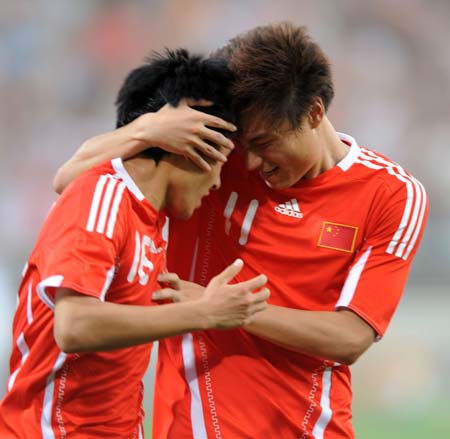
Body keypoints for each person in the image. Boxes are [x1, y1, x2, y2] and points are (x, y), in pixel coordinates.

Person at [52, 23, 428, 439]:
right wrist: (145, 130)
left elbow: (350, 338)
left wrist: (225, 310)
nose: (249, 163)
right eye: (243, 144)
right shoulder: (212, 164)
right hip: (190, 427)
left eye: (265, 142)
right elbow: (72, 179)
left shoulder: (393, 194)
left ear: (314, 113)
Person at [0, 49, 270, 438]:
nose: (216, 185)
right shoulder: (102, 198)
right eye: (220, 165)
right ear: (191, 141)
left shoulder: (152, 217)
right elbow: (75, 326)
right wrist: (205, 314)